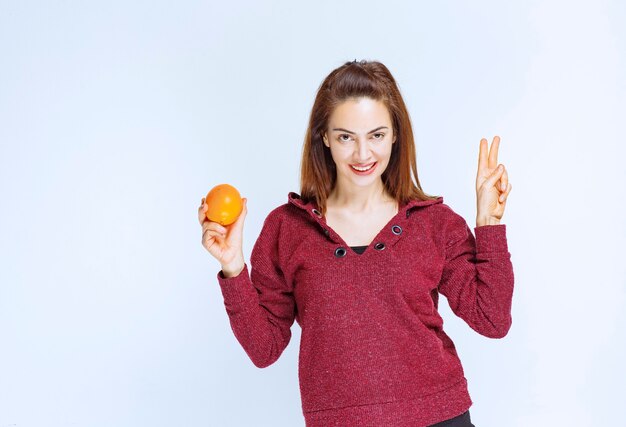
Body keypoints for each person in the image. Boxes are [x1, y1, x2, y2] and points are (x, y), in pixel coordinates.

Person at [198, 59, 514, 427]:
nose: (363, 155)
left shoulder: (434, 224)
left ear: (396, 135)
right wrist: (233, 267)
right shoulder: (287, 228)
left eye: (376, 135)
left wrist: (489, 224)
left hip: (440, 417)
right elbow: (264, 349)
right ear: (325, 137)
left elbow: (492, 320)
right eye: (346, 136)